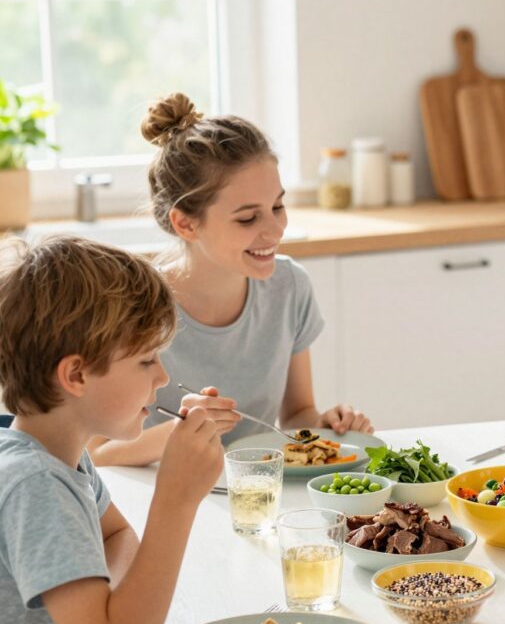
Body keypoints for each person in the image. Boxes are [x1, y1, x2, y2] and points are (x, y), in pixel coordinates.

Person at [0, 236, 224, 624]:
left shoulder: (59, 455)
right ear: (75, 375)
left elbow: (117, 535)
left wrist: (114, 606)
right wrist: (177, 500)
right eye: (147, 360)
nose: (165, 376)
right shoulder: (32, 485)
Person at [89, 92, 372, 467]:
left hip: (255, 494)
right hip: (158, 495)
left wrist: (324, 428)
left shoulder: (289, 287)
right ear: (186, 223)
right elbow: (96, 454)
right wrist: (179, 434)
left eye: (277, 207)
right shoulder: (134, 308)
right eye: (247, 218)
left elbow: (298, 411)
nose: (274, 230)